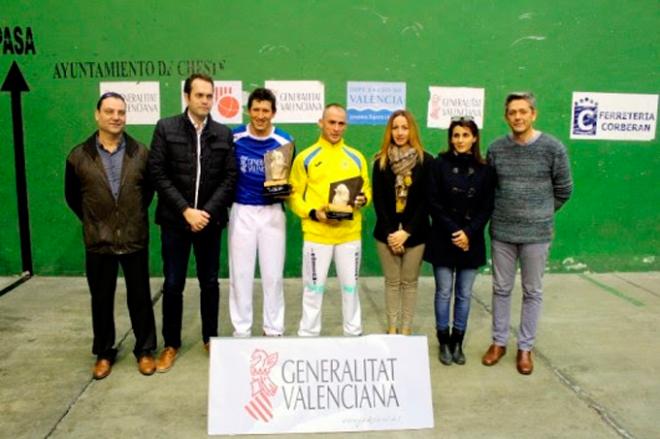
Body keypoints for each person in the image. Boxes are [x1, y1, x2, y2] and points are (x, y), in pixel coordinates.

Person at [65, 92, 157, 379]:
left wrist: (129, 218)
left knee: (140, 296)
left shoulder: (140, 153)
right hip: (99, 241)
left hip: (133, 237)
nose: (116, 117)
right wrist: (96, 221)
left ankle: (144, 351)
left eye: (121, 112)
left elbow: (148, 193)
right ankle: (104, 353)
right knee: (101, 298)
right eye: (110, 111)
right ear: (97, 115)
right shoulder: (79, 156)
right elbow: (72, 197)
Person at [148, 73, 237, 372]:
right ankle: (171, 344)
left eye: (209, 96)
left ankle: (211, 339)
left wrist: (205, 212)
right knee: (173, 284)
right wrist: (186, 210)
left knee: (210, 282)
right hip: (175, 221)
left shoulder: (224, 134)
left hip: (209, 223)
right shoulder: (166, 127)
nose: (205, 101)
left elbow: (229, 178)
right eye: (199, 95)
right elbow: (157, 173)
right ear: (187, 97)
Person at [481, 92, 573, 375]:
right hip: (502, 232)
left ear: (534, 114)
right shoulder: (496, 149)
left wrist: (541, 212)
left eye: (523, 111)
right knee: (501, 289)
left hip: (537, 234)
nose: (518, 117)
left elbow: (564, 189)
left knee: (532, 291)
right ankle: (498, 343)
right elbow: (489, 188)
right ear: (506, 117)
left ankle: (525, 348)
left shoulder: (552, 148)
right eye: (512, 112)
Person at [289, 103, 371, 336]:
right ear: (321, 123)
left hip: (349, 235)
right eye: (331, 122)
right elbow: (294, 195)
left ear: (346, 125)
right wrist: (314, 213)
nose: (335, 128)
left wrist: (362, 200)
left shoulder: (356, 158)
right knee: (313, 288)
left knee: (350, 287)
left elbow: (367, 191)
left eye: (341, 123)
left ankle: (353, 333)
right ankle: (309, 335)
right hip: (317, 235)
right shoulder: (306, 158)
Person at [425, 116, 495, 365]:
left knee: (464, 294)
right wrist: (456, 232)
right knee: (444, 292)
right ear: (450, 138)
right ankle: (443, 341)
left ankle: (457, 342)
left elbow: (487, 206)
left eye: (465, 135)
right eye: (456, 135)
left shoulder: (486, 169)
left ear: (474, 138)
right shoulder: (438, 164)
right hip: (443, 238)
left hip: (471, 241)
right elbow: (433, 202)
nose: (460, 140)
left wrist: (468, 233)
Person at [229, 88, 294, 337]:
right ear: (248, 110)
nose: (260, 115)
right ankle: (242, 329)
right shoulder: (234, 137)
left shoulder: (284, 140)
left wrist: (287, 191)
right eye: (255, 109)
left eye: (265, 110)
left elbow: (287, 179)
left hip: (272, 212)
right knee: (241, 274)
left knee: (273, 274)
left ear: (273, 113)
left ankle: (273, 328)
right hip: (242, 210)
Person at [372, 110, 431, 336]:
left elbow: (426, 202)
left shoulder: (426, 161)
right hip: (386, 234)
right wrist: (391, 234)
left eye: (404, 127)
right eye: (395, 127)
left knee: (409, 283)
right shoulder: (381, 162)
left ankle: (406, 329)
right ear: (390, 131)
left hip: (415, 235)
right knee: (392, 282)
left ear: (411, 130)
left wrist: (406, 232)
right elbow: (379, 201)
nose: (399, 132)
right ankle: (392, 328)